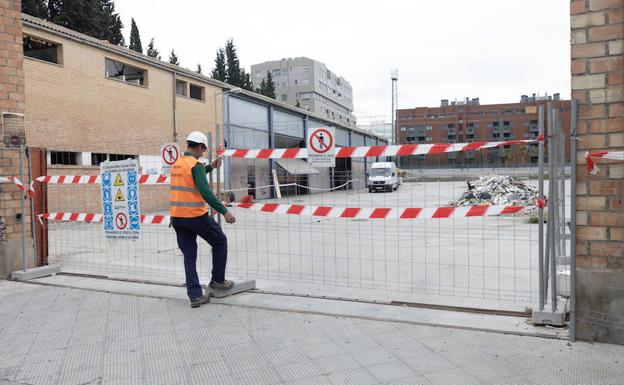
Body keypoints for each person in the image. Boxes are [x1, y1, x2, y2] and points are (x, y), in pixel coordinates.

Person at [170, 131, 236, 308]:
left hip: (177, 218)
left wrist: (210, 167)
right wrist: (224, 211)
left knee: (189, 255)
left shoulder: (178, 163)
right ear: (199, 147)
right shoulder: (195, 164)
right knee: (220, 241)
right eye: (203, 150)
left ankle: (195, 296)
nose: (203, 153)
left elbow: (191, 178)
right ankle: (217, 280)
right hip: (195, 217)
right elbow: (205, 191)